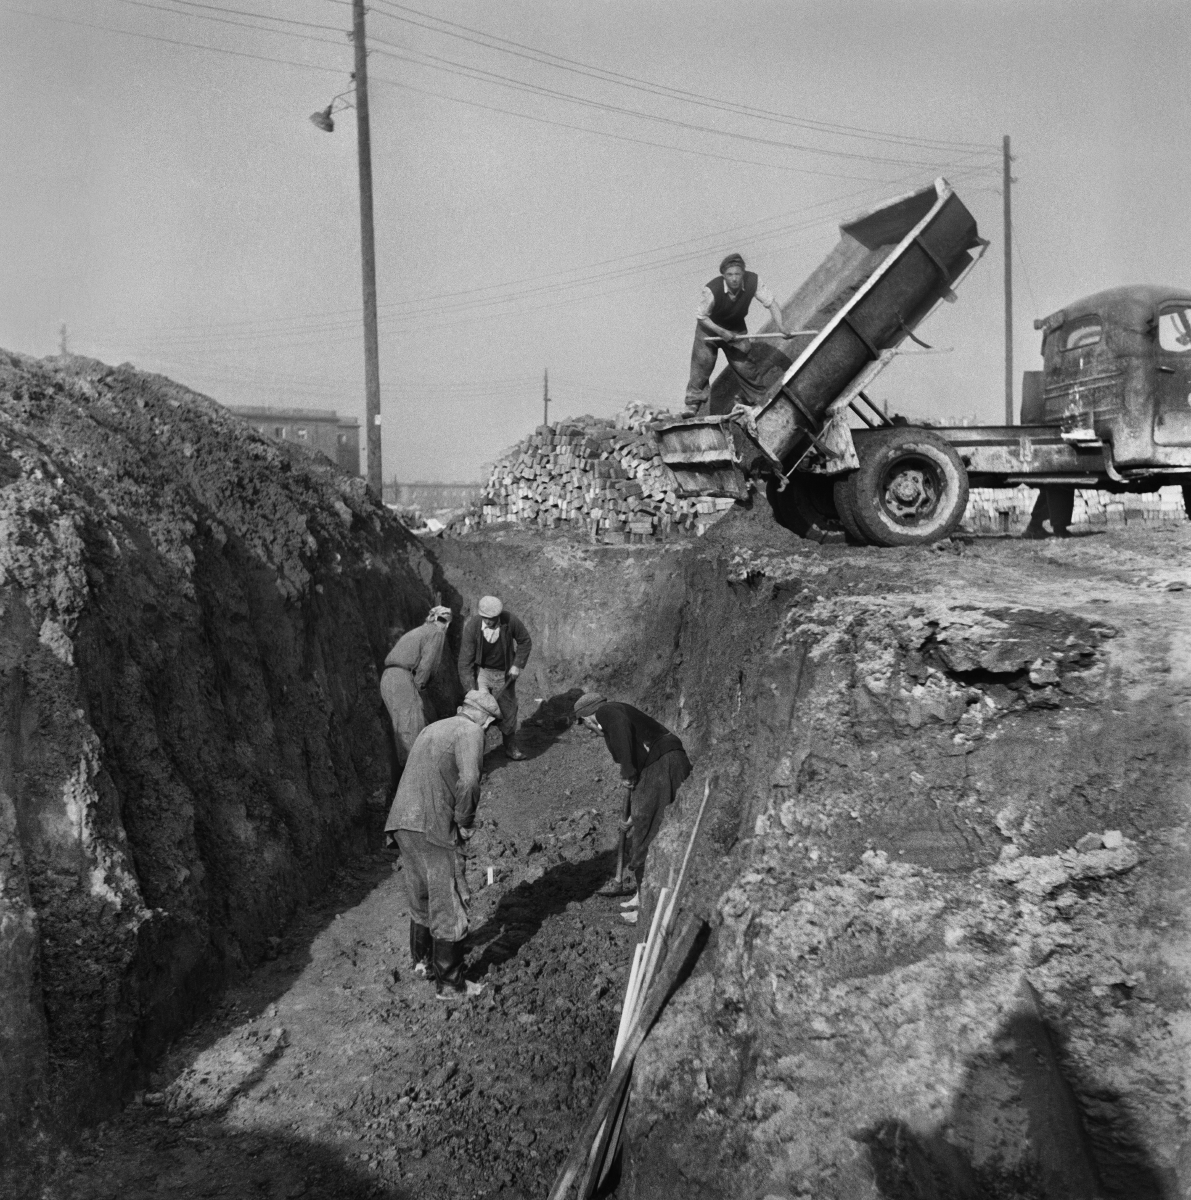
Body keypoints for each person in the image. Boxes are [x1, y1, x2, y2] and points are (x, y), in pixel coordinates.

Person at [384, 689, 502, 999]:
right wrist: (464, 822)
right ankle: (450, 984)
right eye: (490, 726)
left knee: (421, 893)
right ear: (485, 719)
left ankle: (422, 963)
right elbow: (470, 781)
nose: (487, 732)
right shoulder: (471, 731)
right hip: (433, 825)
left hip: (402, 821)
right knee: (448, 899)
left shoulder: (433, 727)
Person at [572, 693, 692, 921]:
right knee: (645, 826)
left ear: (588, 717)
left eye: (587, 726)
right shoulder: (618, 713)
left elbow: (622, 736)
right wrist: (629, 818)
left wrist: (627, 771)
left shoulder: (608, 713)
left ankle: (646, 907)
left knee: (646, 832)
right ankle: (642, 895)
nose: (592, 731)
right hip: (662, 764)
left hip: (662, 764)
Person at [684, 253, 792, 414]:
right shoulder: (712, 290)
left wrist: (781, 326)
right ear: (723, 276)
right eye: (729, 275)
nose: (734, 279)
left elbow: (771, 303)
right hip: (708, 330)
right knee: (702, 364)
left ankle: (759, 400)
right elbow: (701, 317)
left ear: (743, 273)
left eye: (737, 274)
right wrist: (721, 332)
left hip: (735, 328)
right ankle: (692, 404)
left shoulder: (753, 281)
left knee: (745, 366)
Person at [457, 595, 532, 761]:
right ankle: (475, 754)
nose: (488, 622)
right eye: (485, 618)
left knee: (508, 710)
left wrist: (516, 665)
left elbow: (525, 641)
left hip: (504, 674)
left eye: (491, 619)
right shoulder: (473, 627)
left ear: (498, 616)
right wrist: (471, 690)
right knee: (478, 712)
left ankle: (510, 746)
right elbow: (464, 661)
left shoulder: (509, 621)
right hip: (482, 673)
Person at [380, 605, 453, 769]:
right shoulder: (436, 633)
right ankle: (419, 774)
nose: (445, 625)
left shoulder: (418, 631)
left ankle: (407, 774)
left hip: (387, 678)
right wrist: (419, 686)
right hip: (401, 678)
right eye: (444, 621)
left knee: (401, 728)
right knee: (412, 728)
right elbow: (428, 665)